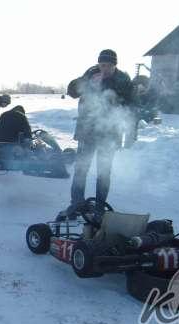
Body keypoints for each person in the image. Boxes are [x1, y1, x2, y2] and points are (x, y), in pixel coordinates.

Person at [64, 49, 134, 218]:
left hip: (109, 133)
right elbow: (72, 92)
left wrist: (129, 134)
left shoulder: (123, 80)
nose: (105, 69)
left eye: (108, 65)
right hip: (87, 130)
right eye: (102, 65)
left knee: (103, 173)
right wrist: (88, 84)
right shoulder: (91, 73)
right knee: (81, 169)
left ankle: (99, 209)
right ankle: (77, 204)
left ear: (115, 65)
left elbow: (132, 106)